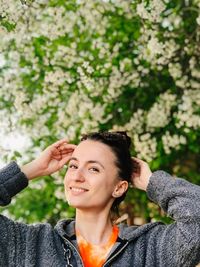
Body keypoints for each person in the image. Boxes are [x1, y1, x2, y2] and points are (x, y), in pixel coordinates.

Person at [0, 131, 200, 267]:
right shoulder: (29, 244)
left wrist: (150, 181)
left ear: (119, 187)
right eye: (73, 166)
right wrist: (30, 170)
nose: (77, 176)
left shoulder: (150, 248)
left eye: (93, 168)